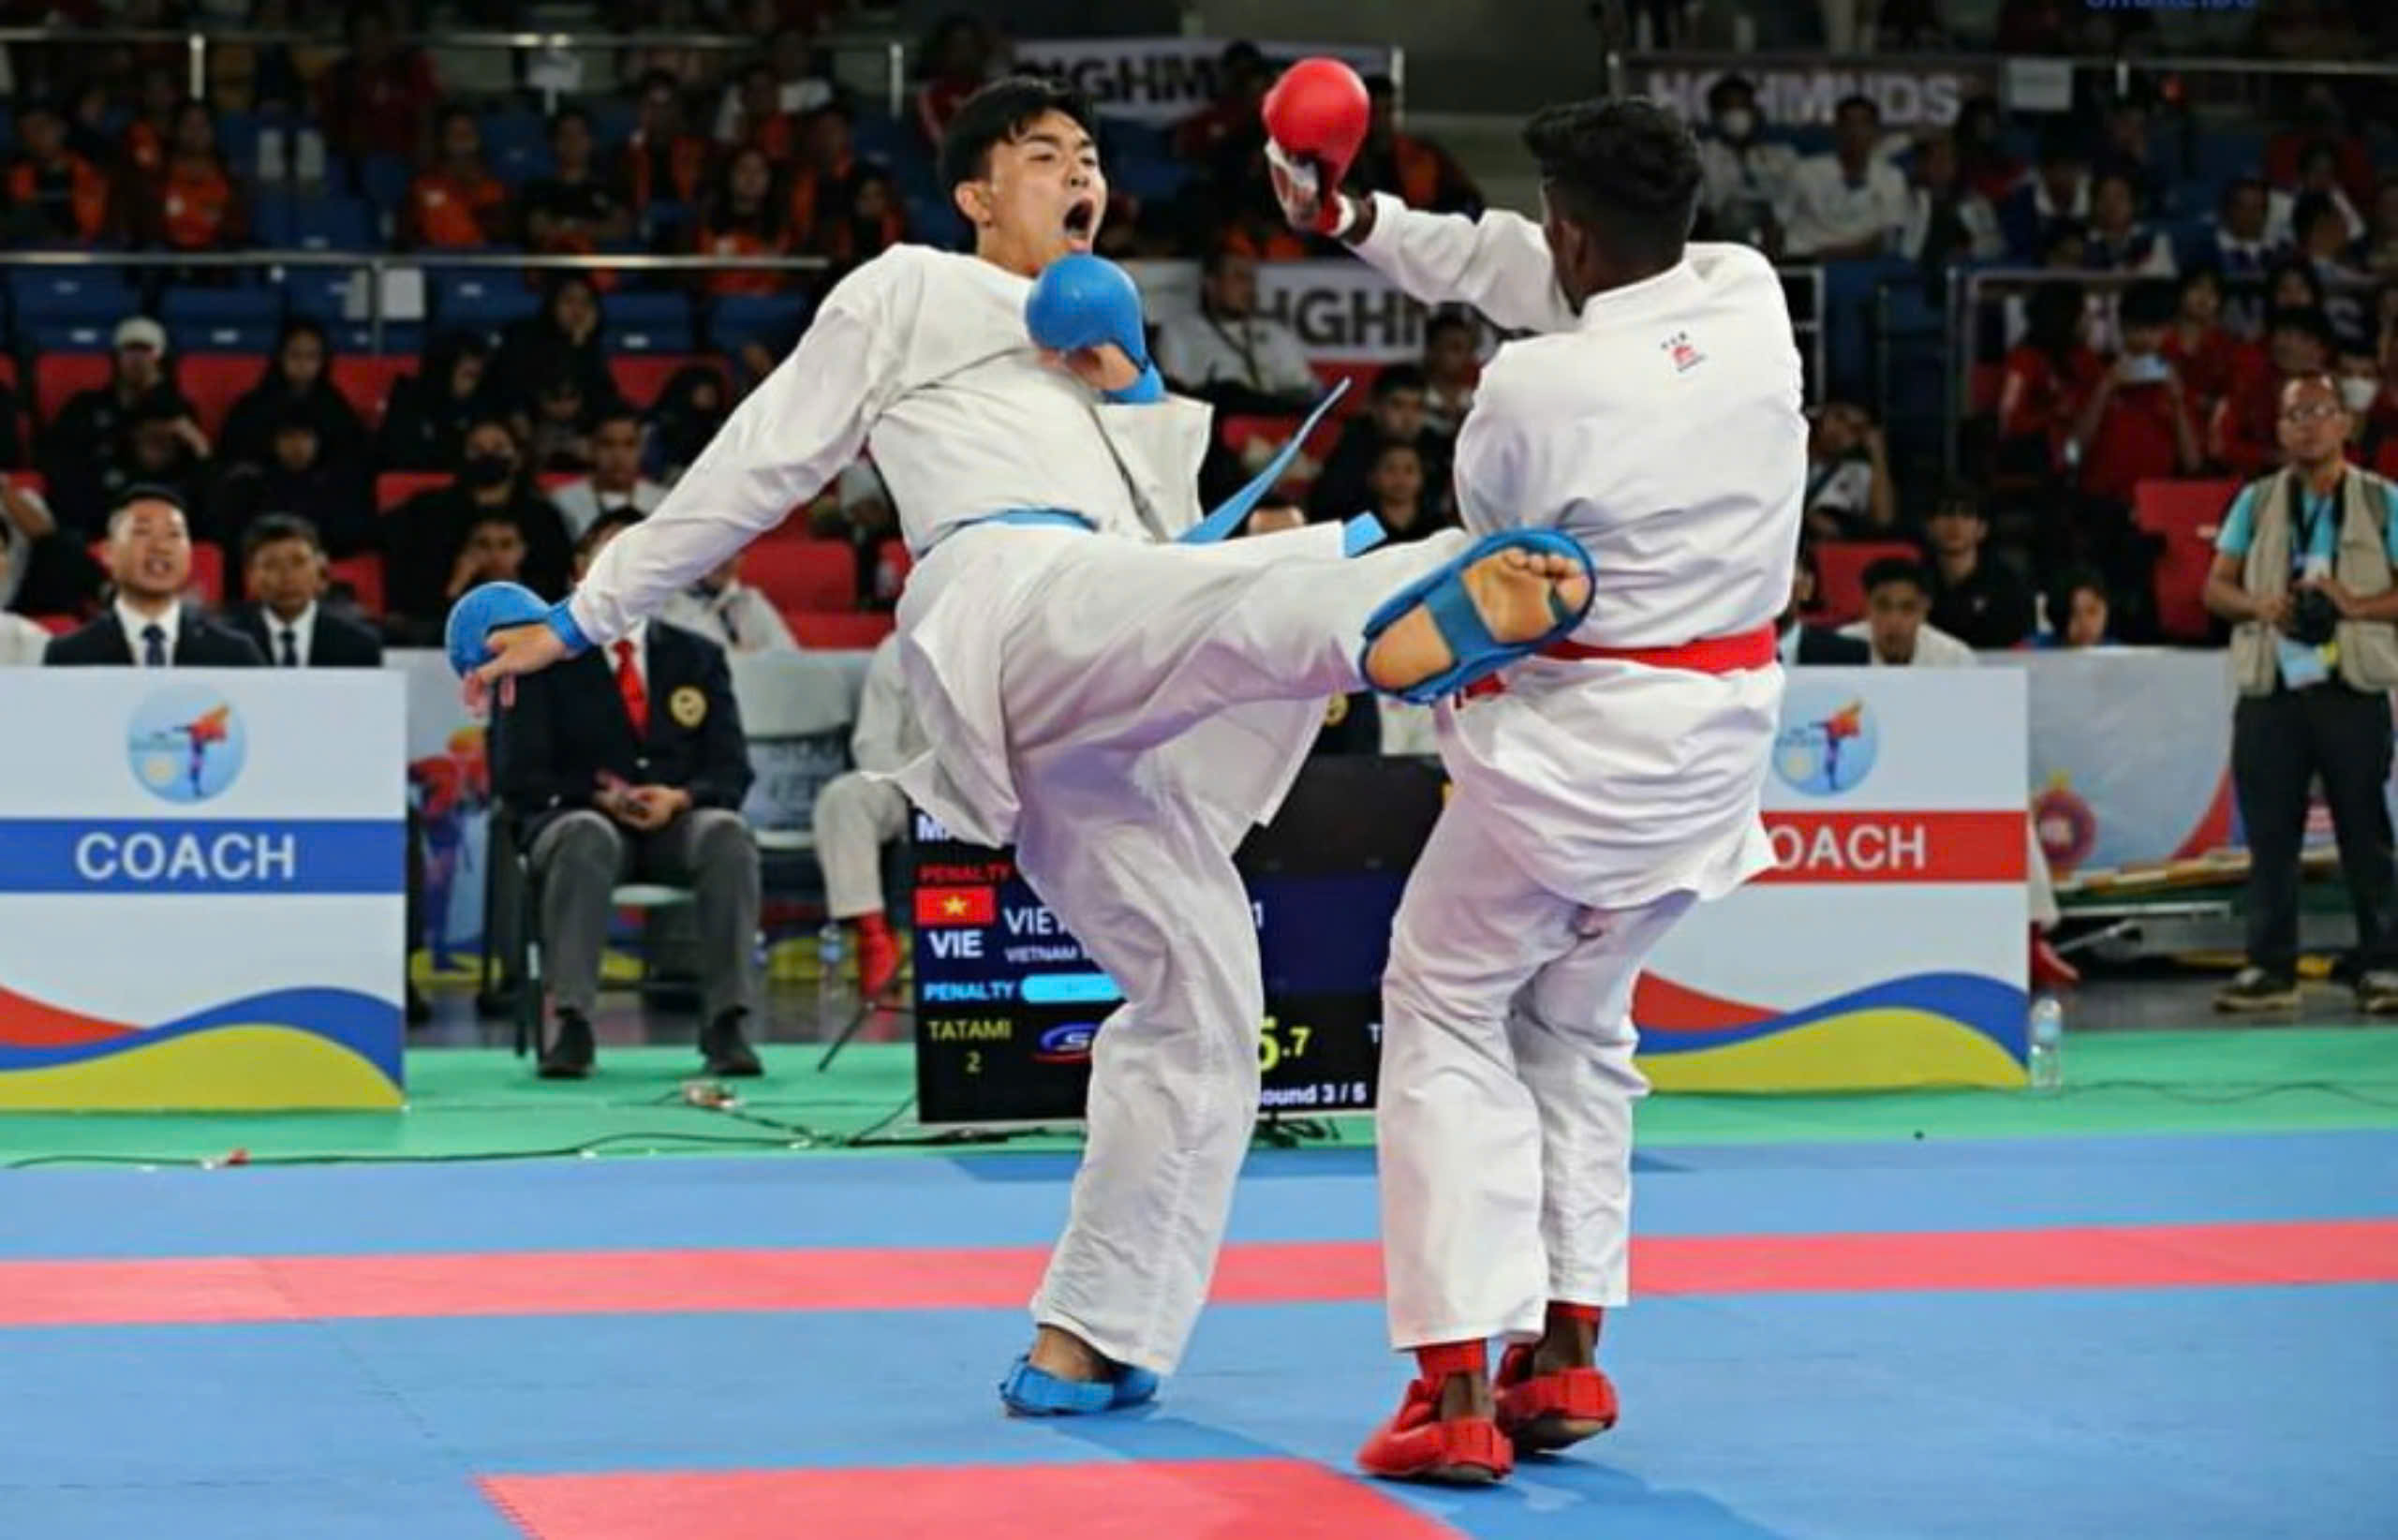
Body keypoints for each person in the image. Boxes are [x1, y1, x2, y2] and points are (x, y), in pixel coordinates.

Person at [462, 76, 1593, 1415]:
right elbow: (758, 460)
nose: (1082, 174)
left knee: (1206, 1005)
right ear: (976, 194)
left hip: (1107, 695)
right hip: (1002, 599)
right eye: (1046, 153)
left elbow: (1165, 551)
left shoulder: (1111, 349)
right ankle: (1411, 593)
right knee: (1267, 582)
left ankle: (1094, 1334)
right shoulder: (908, 289)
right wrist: (593, 615)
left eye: (1093, 157)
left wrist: (1132, 388)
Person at [1272, 94, 1801, 1484]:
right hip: (1716, 754)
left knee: (1443, 1002)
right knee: (1577, 1022)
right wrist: (1359, 221)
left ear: (1571, 227)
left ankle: (1449, 1387)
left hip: (1575, 757)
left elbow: (1500, 578)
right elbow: (1530, 271)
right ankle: (1563, 1356)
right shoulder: (1750, 297)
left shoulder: (1529, 394)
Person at [494, 509, 765, 1077]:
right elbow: (519, 775)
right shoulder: (541, 658)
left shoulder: (698, 657)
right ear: (579, 573)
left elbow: (732, 769)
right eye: (610, 557)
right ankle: (571, 1023)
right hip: (577, 822)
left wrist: (681, 799)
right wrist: (597, 799)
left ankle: (727, 1023)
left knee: (727, 834)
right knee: (585, 836)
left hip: (674, 824)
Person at [2202, 373, 2398, 1014]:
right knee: (2270, 835)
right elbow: (2215, 589)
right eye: (2294, 415)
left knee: (2364, 830)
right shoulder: (2257, 502)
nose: (2307, 425)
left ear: (2345, 422)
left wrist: (2355, 603)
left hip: (2351, 686)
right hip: (2274, 687)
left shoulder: (2382, 501)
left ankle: (2384, 965)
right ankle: (2270, 969)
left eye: (2319, 411)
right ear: (2281, 430)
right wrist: (2260, 604)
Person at [810, 631, 924, 1001]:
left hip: (997, 794)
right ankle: (873, 936)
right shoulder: (898, 649)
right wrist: (921, 791)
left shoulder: (1010, 641)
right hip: (912, 789)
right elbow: (872, 743)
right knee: (843, 798)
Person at [44, 491, 264, 666]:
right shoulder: (70, 655)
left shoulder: (234, 653)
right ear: (108, 553)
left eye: (174, 534)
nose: (160, 546)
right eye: (142, 532)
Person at [233, 514, 385, 667]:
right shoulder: (229, 644)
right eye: (271, 564)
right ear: (250, 575)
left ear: (321, 569)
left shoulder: (359, 644)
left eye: (298, 562)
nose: (287, 576)